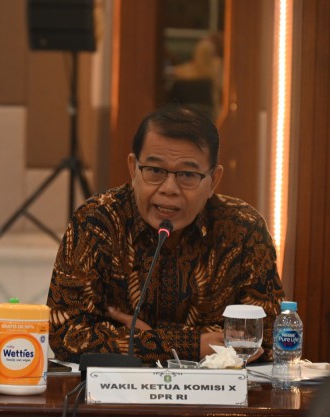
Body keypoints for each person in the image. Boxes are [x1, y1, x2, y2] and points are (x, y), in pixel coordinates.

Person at [47, 104, 285, 364]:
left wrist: (143, 340)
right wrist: (188, 345)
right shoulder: (96, 221)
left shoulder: (243, 230)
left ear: (213, 181)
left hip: (215, 389)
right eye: (155, 170)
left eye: (187, 175)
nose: (169, 188)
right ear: (133, 169)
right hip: (119, 388)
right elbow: (64, 334)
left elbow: (269, 339)